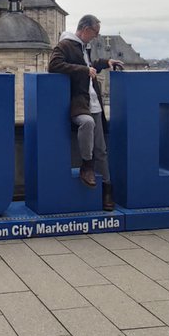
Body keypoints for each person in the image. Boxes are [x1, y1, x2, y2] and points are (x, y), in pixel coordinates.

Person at [48, 14, 121, 206]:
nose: (96, 37)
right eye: (95, 33)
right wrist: (83, 70)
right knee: (86, 123)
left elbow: (89, 67)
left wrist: (106, 63)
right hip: (79, 102)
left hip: (94, 102)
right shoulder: (64, 45)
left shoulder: (83, 47)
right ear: (86, 29)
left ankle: (107, 189)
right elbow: (54, 65)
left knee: (102, 150)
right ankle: (86, 165)